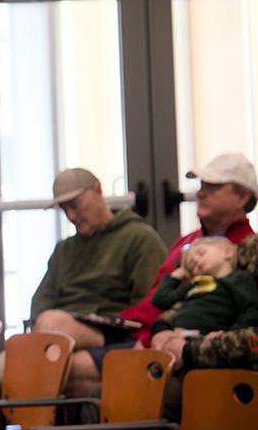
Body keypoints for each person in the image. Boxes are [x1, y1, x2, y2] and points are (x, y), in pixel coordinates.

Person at [64, 152, 257, 396]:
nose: (200, 193)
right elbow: (161, 299)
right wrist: (155, 331)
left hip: (189, 347)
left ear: (242, 197)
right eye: (200, 185)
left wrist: (156, 340)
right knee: (56, 349)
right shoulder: (188, 242)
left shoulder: (243, 253)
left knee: (70, 365)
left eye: (213, 187)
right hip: (149, 331)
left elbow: (220, 311)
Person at [28, 168, 166, 349]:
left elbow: (151, 303)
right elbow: (41, 303)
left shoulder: (139, 238)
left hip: (113, 334)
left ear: (98, 190)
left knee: (51, 326)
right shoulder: (64, 249)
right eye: (64, 209)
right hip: (60, 330)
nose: (71, 216)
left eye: (75, 205)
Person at [149, 237, 258, 340]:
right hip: (176, 335)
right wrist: (176, 275)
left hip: (206, 340)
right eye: (192, 266)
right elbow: (160, 300)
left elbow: (251, 308)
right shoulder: (194, 286)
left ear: (228, 252)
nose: (196, 260)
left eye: (201, 253)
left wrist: (232, 334)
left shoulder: (239, 278)